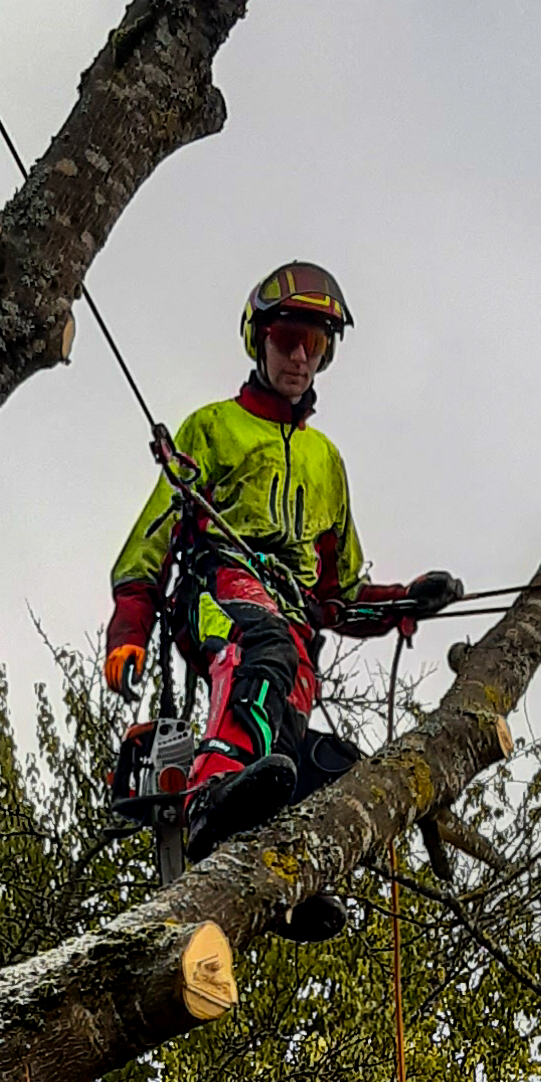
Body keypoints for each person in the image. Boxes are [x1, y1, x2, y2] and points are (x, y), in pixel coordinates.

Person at [104, 263, 461, 932]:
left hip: (293, 623)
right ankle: (209, 797)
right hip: (221, 588)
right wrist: (128, 628)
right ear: (259, 339)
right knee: (261, 651)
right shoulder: (212, 427)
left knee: (332, 765)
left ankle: (281, 877)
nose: (299, 355)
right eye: (289, 337)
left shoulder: (327, 461)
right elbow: (154, 535)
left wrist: (405, 602)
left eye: (315, 343)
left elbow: (337, 593)